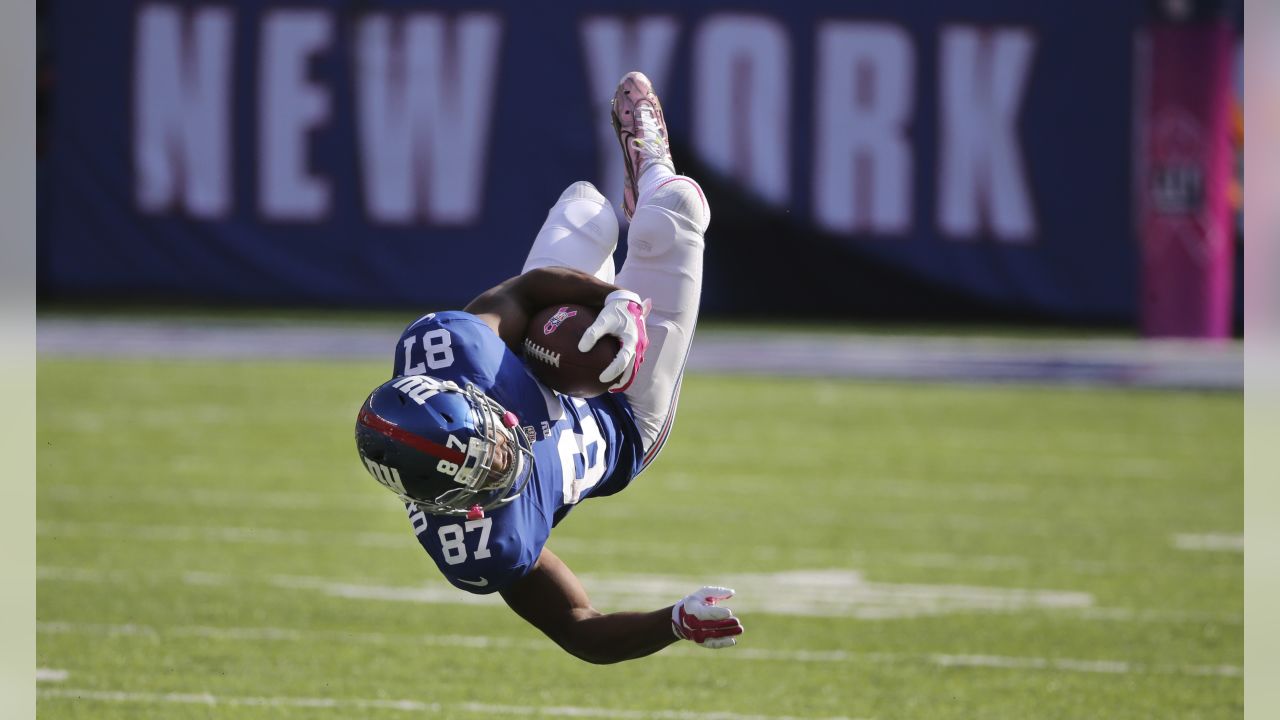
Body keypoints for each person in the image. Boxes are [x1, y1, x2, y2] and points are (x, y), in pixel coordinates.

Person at [353, 72, 742, 664]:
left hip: (543, 355)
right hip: (624, 414)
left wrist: (613, 300)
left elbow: (526, 289)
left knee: (586, 209)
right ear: (446, 502)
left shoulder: (452, 350)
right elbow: (580, 626)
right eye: (487, 472)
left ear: (470, 397)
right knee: (675, 212)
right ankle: (657, 180)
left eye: (491, 442)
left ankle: (638, 193)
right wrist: (675, 622)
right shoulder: (479, 545)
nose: (508, 455)